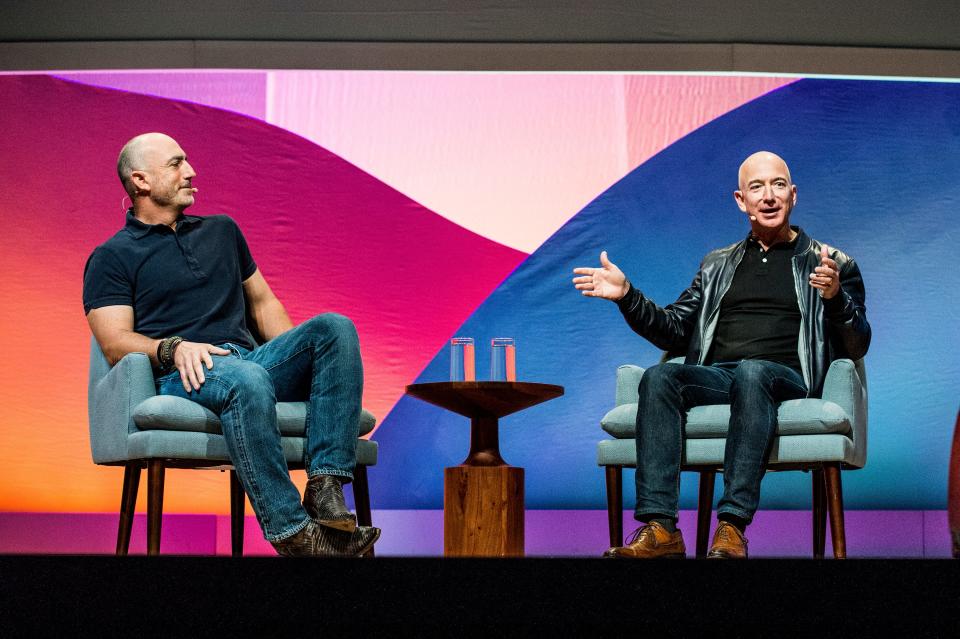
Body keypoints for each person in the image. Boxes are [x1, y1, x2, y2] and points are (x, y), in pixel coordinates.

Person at [83, 132, 380, 557]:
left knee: (334, 328)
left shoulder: (222, 230)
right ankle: (292, 531)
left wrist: (302, 362)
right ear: (141, 181)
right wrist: (173, 348)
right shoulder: (112, 256)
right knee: (248, 378)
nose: (191, 171)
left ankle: (325, 486)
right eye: (176, 163)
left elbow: (263, 303)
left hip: (251, 359)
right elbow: (115, 342)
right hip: (184, 373)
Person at [572, 151, 870, 558]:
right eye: (757, 187)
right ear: (740, 200)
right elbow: (674, 328)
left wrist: (835, 298)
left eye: (778, 185)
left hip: (784, 377)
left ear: (793, 195)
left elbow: (857, 346)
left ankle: (731, 526)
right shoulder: (716, 265)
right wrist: (627, 297)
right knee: (658, 377)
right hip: (722, 376)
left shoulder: (832, 262)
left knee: (753, 372)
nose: (768, 196)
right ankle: (661, 529)